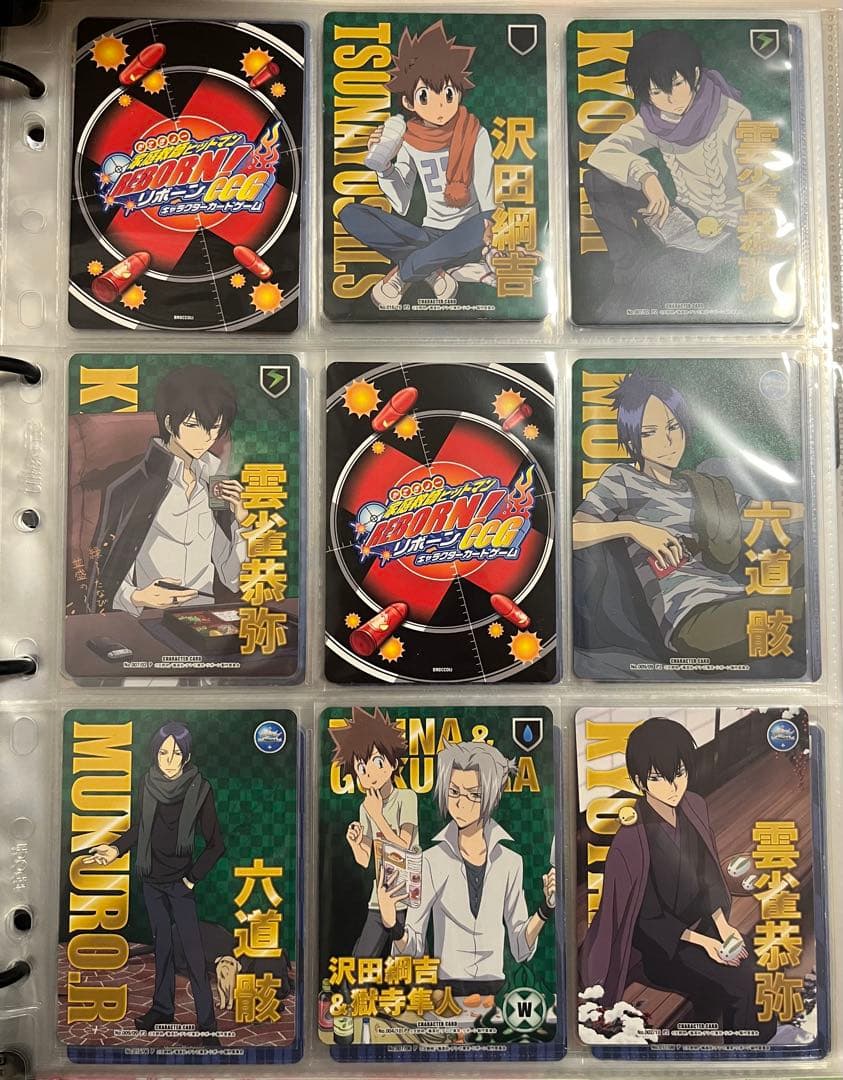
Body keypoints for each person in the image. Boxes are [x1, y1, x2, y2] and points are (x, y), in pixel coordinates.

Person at [572, 370, 804, 663]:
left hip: (739, 595)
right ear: (632, 441)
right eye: (649, 433)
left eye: (673, 427)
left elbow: (768, 512)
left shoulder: (700, 485)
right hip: (694, 620)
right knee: (802, 603)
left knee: (811, 556)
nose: (667, 441)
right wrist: (633, 529)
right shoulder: (623, 478)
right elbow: (574, 532)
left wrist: (817, 513)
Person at [581, 716, 776, 1043]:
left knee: (758, 963)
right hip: (663, 948)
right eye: (657, 778)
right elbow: (647, 921)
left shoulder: (693, 806)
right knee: (741, 984)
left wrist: (723, 927)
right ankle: (743, 1056)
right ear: (640, 781)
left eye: (679, 773)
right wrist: (707, 944)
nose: (672, 787)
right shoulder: (632, 838)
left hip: (703, 926)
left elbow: (709, 877)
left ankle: (759, 1045)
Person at [377, 740, 555, 997]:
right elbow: (414, 944)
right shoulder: (431, 861)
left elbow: (520, 947)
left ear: (492, 796)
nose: (461, 803)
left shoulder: (510, 862)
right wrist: (392, 923)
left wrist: (546, 909)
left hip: (494, 992)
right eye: (454, 792)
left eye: (474, 795)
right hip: (446, 992)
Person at [339, 20, 495, 309]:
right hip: (430, 232)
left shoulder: (475, 132)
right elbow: (402, 203)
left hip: (470, 229)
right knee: (350, 213)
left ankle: (402, 276)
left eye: (448, 94)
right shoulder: (409, 140)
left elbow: (486, 180)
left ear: (459, 93)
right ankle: (434, 271)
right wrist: (384, 166)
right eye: (426, 96)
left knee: (466, 235)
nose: (440, 105)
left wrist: (488, 220)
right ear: (409, 102)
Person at [86, 723, 225, 1044]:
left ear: (186, 756)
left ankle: (207, 1025)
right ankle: (162, 1009)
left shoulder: (200, 789)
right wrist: (115, 848)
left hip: (181, 884)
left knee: (193, 954)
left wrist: (191, 880)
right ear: (155, 754)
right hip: (151, 880)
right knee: (162, 947)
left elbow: (216, 845)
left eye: (176, 753)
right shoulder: (147, 783)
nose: (169, 759)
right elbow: (141, 827)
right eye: (163, 752)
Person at [585, 30, 748, 296]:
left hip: (726, 230)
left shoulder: (733, 116)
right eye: (657, 92)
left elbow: (755, 189)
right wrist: (646, 177)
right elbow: (602, 152)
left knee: (659, 284)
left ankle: (652, 274)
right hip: (681, 217)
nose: (670, 100)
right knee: (597, 179)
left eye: (677, 84)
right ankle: (629, 266)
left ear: (695, 75)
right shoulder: (656, 118)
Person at [85, 365, 246, 615]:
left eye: (215, 427)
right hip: (148, 619)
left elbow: (233, 579)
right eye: (193, 425)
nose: (206, 438)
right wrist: (138, 597)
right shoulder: (132, 487)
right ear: (170, 424)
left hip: (204, 619)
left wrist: (242, 523)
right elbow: (100, 582)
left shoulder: (215, 483)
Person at [330, 707, 418, 959]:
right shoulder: (366, 806)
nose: (369, 772)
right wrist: (356, 842)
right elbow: (364, 859)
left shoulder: (406, 797)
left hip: (408, 896)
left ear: (393, 763)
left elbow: (404, 846)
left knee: (407, 963)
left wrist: (378, 815)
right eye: (361, 767)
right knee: (361, 960)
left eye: (377, 762)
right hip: (379, 897)